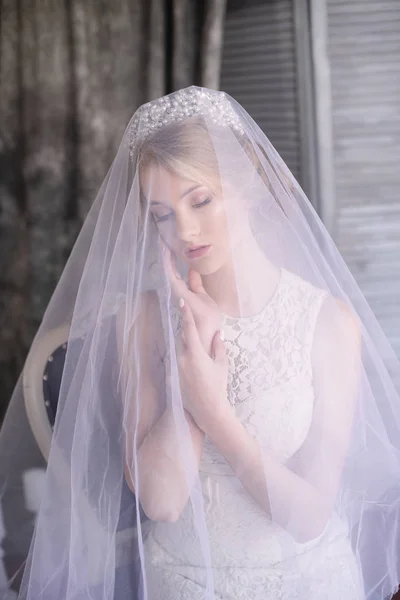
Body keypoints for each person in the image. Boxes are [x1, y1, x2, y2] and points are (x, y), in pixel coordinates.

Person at [1, 86, 400, 600]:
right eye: (161, 213)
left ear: (249, 187)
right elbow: (163, 501)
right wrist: (200, 335)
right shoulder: (144, 321)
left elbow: (308, 517)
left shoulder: (328, 323)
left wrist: (214, 411)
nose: (183, 230)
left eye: (201, 200)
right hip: (183, 583)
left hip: (307, 580)